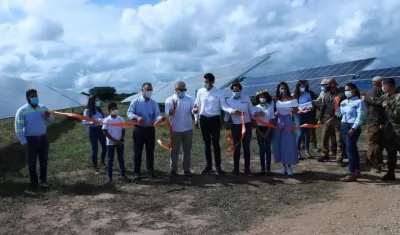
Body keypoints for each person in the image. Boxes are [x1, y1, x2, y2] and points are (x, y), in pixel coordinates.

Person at [193, 73, 240, 175]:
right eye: (204, 82)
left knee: (216, 144)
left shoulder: (219, 93)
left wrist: (232, 110)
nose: (205, 84)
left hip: (215, 120)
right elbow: (196, 105)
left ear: (212, 82)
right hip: (204, 119)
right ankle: (208, 166)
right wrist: (196, 118)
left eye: (207, 82)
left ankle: (218, 167)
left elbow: (224, 106)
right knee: (206, 143)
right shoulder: (200, 92)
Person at [15, 89, 55, 190]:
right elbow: (18, 127)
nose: (35, 98)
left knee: (44, 161)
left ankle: (43, 181)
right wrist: (23, 141)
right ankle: (34, 182)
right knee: (32, 162)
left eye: (36, 96)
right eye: (33, 96)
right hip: (30, 140)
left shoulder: (43, 108)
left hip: (42, 138)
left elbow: (51, 120)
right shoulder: (22, 111)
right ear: (27, 98)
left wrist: (48, 115)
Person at [127, 82, 164, 180]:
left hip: (150, 130)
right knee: (137, 152)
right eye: (147, 89)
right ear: (142, 90)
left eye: (150, 90)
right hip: (138, 130)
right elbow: (129, 113)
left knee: (150, 151)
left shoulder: (153, 103)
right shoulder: (135, 102)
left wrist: (160, 118)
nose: (149, 91)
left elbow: (156, 114)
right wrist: (136, 117)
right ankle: (137, 172)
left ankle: (150, 171)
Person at [364, 78, 399, 181]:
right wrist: (365, 98)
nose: (382, 88)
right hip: (391, 130)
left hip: (398, 130)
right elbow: (378, 100)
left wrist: (387, 107)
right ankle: (390, 173)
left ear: (388, 86)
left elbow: (398, 115)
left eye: (384, 86)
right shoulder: (387, 96)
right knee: (391, 153)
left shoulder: (398, 97)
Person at [224, 82, 260, 175]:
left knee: (246, 147)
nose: (236, 92)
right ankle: (236, 169)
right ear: (232, 91)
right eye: (234, 90)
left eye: (237, 90)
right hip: (236, 126)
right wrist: (226, 122)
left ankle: (247, 168)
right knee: (237, 147)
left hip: (246, 125)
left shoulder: (246, 98)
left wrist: (254, 113)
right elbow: (227, 113)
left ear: (241, 90)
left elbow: (251, 109)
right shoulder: (228, 100)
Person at [336, 83, 366, 182]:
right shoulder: (344, 102)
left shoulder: (359, 102)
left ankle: (352, 172)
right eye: (345, 90)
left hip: (352, 126)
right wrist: (337, 107)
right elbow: (339, 115)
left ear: (354, 90)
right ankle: (357, 170)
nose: (346, 92)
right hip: (344, 126)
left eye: (348, 89)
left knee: (349, 150)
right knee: (352, 149)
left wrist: (353, 129)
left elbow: (360, 117)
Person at [165, 81, 195, 178]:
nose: (182, 91)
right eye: (180, 90)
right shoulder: (169, 100)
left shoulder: (190, 99)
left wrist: (195, 111)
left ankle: (186, 170)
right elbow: (168, 114)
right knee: (174, 150)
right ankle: (173, 169)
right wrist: (173, 107)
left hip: (188, 128)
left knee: (187, 150)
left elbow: (193, 110)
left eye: (184, 89)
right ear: (175, 90)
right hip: (175, 129)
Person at [318, 78, 346, 166]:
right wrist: (320, 118)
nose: (325, 86)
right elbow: (323, 107)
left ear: (333, 84)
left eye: (327, 84)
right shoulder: (326, 94)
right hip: (327, 119)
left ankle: (339, 158)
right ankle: (325, 154)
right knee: (324, 138)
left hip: (338, 120)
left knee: (339, 140)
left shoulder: (341, 94)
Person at [273, 82, 299, 175]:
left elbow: (296, 111)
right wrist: (276, 113)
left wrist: (296, 111)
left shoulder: (292, 99)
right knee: (279, 144)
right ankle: (283, 166)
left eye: (284, 88)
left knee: (289, 144)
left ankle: (289, 166)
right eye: (281, 88)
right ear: (278, 89)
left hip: (288, 122)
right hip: (279, 123)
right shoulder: (276, 100)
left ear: (287, 89)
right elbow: (273, 111)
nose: (282, 90)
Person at [102, 102, 129, 183]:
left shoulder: (120, 119)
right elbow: (105, 132)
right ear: (109, 111)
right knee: (110, 160)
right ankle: (109, 177)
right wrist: (114, 140)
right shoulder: (107, 120)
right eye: (113, 109)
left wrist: (120, 139)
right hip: (110, 143)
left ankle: (123, 175)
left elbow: (123, 130)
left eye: (116, 108)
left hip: (120, 143)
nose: (115, 110)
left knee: (121, 159)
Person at [364, 76, 386, 173]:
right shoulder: (372, 93)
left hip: (377, 121)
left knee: (379, 143)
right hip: (374, 121)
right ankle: (371, 164)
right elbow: (377, 108)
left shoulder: (378, 92)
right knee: (374, 143)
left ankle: (378, 162)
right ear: (379, 83)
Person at [82, 95, 107, 173]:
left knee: (105, 147)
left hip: (101, 130)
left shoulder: (99, 109)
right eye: (96, 100)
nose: (98, 102)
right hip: (93, 131)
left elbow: (103, 119)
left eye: (98, 100)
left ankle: (102, 162)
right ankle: (95, 166)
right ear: (92, 101)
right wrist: (93, 122)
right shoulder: (87, 111)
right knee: (95, 149)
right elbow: (84, 122)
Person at [254, 89, 275, 175]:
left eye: (264, 97)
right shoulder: (256, 108)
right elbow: (254, 121)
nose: (262, 98)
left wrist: (267, 132)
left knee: (268, 149)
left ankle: (268, 169)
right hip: (259, 129)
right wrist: (259, 131)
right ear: (258, 98)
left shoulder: (270, 107)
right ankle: (262, 169)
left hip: (268, 130)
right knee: (261, 149)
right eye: (260, 97)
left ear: (267, 98)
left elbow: (271, 120)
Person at [313, 78, 336, 153]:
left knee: (334, 134)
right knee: (325, 135)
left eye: (325, 85)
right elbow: (319, 102)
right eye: (323, 85)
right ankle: (325, 153)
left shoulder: (337, 93)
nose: (324, 86)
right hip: (326, 116)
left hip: (335, 117)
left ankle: (334, 150)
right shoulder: (324, 93)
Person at [292, 80, 313, 159]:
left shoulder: (308, 94)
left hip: (307, 115)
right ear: (298, 87)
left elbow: (310, 104)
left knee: (307, 133)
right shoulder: (294, 96)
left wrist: (309, 108)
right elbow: (293, 108)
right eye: (301, 87)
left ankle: (307, 150)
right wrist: (299, 110)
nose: (303, 88)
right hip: (298, 115)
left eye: (304, 86)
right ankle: (297, 152)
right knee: (300, 133)